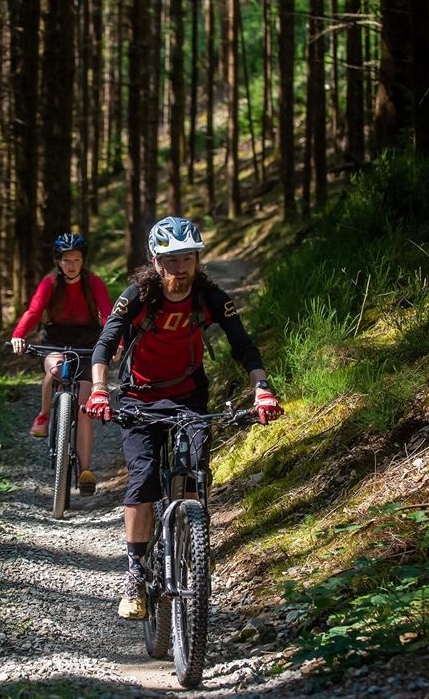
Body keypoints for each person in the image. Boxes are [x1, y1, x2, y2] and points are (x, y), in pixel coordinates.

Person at [84, 216, 283, 619]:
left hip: (190, 397)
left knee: (193, 475)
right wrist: (101, 388)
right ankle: (136, 573)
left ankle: (186, 552)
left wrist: (262, 388)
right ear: (156, 261)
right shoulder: (137, 297)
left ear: (197, 260)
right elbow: (105, 344)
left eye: (187, 258)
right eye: (171, 260)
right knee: (142, 480)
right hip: (140, 399)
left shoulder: (210, 297)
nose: (180, 268)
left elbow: (242, 344)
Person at [11, 233, 115, 496]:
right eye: (66, 260)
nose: (71, 265)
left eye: (76, 260)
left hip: (87, 342)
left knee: (83, 406)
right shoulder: (50, 283)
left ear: (83, 261)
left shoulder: (93, 283)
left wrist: (118, 341)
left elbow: (108, 313)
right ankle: (44, 415)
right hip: (55, 341)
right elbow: (34, 311)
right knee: (55, 369)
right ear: (58, 262)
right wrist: (18, 335)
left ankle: (85, 471)